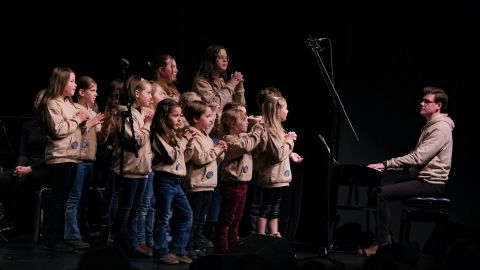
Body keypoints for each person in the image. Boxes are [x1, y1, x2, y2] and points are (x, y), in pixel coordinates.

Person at [362, 86, 455, 256]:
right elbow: (414, 157)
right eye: (422, 100)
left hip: (431, 183)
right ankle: (386, 240)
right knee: (375, 190)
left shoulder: (440, 128)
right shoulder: (430, 127)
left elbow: (418, 158)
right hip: (421, 180)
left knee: (380, 193)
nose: (421, 103)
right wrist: (388, 165)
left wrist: (385, 164)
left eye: (427, 101)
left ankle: (383, 246)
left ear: (438, 105)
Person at [37, 67, 89, 252]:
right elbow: (58, 130)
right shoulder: (53, 103)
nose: (75, 85)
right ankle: (51, 239)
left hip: (72, 157)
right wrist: (76, 120)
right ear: (61, 83)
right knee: (58, 199)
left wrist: (85, 123)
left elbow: (77, 125)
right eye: (72, 81)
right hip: (59, 158)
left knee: (65, 198)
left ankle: (59, 236)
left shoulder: (69, 104)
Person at [150, 98, 195, 265]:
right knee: (163, 217)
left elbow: (182, 157)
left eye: (180, 115)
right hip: (164, 180)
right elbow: (171, 157)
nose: (179, 119)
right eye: (175, 116)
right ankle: (161, 252)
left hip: (176, 181)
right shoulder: (157, 135)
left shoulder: (173, 134)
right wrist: (183, 140)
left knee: (186, 214)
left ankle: (178, 250)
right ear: (164, 116)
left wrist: (187, 141)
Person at [112, 75, 153, 257]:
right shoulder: (126, 114)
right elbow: (136, 140)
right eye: (148, 92)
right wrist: (148, 124)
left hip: (142, 170)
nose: (151, 96)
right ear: (137, 94)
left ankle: (133, 241)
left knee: (136, 209)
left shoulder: (140, 113)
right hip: (129, 170)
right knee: (127, 209)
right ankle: (123, 243)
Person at [216, 105, 265, 253]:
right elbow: (246, 146)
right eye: (243, 120)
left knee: (237, 216)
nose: (246, 123)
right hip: (231, 183)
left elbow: (258, 146)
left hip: (243, 183)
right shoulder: (228, 140)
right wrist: (256, 131)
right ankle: (222, 246)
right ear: (232, 125)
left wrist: (260, 128)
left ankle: (233, 242)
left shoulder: (245, 136)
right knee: (227, 217)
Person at [64, 76, 105, 249]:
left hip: (90, 160)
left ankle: (81, 231)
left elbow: (100, 138)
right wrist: (90, 123)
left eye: (96, 91)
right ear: (81, 92)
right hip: (78, 159)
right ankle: (71, 234)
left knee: (83, 199)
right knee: (74, 198)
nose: (96, 94)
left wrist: (105, 125)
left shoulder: (93, 112)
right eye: (92, 90)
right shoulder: (74, 109)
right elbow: (74, 133)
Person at [0, 89, 48, 236]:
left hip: (44, 167)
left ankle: (24, 226)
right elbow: (23, 152)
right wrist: (20, 167)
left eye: (42, 100)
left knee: (23, 183)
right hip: (27, 166)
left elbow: (53, 156)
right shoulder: (28, 126)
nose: (38, 103)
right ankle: (10, 220)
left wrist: (29, 169)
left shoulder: (54, 127)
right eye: (37, 100)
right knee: (4, 179)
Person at [183, 100, 227, 258]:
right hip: (196, 184)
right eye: (207, 116)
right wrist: (216, 150)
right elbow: (199, 159)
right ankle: (187, 248)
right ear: (195, 118)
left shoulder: (206, 137)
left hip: (207, 184)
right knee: (194, 219)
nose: (211, 119)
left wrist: (220, 152)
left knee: (201, 219)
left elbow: (212, 161)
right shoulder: (192, 134)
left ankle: (195, 246)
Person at [255, 95, 302, 237]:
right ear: (277, 111)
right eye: (285, 108)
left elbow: (281, 151)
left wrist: (291, 153)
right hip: (272, 177)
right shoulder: (271, 131)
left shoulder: (279, 130)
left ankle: (274, 233)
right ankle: (261, 235)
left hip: (279, 177)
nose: (287, 111)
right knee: (267, 207)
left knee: (275, 207)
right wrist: (289, 141)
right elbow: (277, 154)